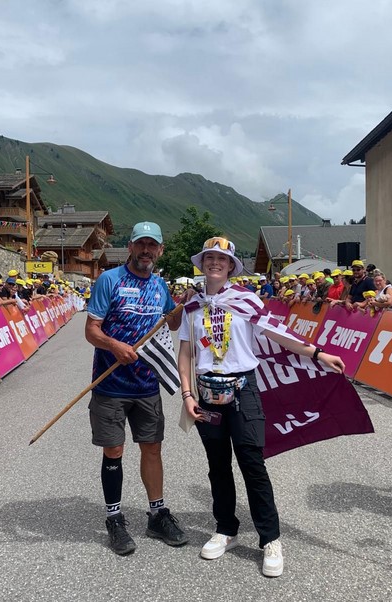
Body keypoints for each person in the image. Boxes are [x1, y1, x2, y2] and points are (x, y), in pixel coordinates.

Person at [177, 237, 344, 578]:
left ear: (230, 266)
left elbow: (279, 332)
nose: (214, 263)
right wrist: (186, 394)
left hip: (243, 390)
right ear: (202, 263)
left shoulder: (246, 300)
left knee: (252, 462)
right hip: (207, 392)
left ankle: (270, 538)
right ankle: (226, 530)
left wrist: (317, 353)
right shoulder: (191, 306)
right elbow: (185, 352)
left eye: (221, 259)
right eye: (209, 257)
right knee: (217, 465)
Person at [85, 221, 187, 556]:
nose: (146, 251)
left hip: (146, 385)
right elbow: (91, 331)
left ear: (160, 250)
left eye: (152, 245)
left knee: (152, 449)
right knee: (114, 451)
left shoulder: (159, 284)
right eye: (140, 244)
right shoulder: (109, 280)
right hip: (111, 384)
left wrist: (180, 305)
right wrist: (114, 345)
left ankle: (157, 514)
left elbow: (170, 322)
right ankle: (114, 518)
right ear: (129, 247)